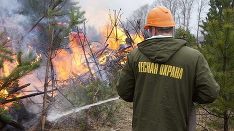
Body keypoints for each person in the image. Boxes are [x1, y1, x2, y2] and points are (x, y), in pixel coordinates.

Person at [116, 6, 220, 131]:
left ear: (152, 29)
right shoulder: (193, 57)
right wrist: (186, 93)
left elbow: (124, 92)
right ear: (172, 28)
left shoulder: (135, 56)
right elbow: (210, 93)